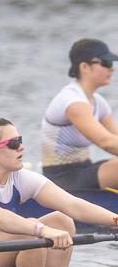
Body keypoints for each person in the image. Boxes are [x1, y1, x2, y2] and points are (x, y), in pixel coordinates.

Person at [0, 115, 118, 267]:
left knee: (62, 220)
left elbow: (73, 205)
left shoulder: (21, 178)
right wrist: (42, 230)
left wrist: (115, 219)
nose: (22, 147)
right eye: (14, 144)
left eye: (20, 140)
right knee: (30, 231)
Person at [41, 38, 118, 190]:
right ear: (85, 67)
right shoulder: (72, 101)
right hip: (61, 179)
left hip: (84, 170)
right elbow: (106, 142)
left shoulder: (98, 102)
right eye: (106, 63)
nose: (112, 69)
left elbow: (114, 138)